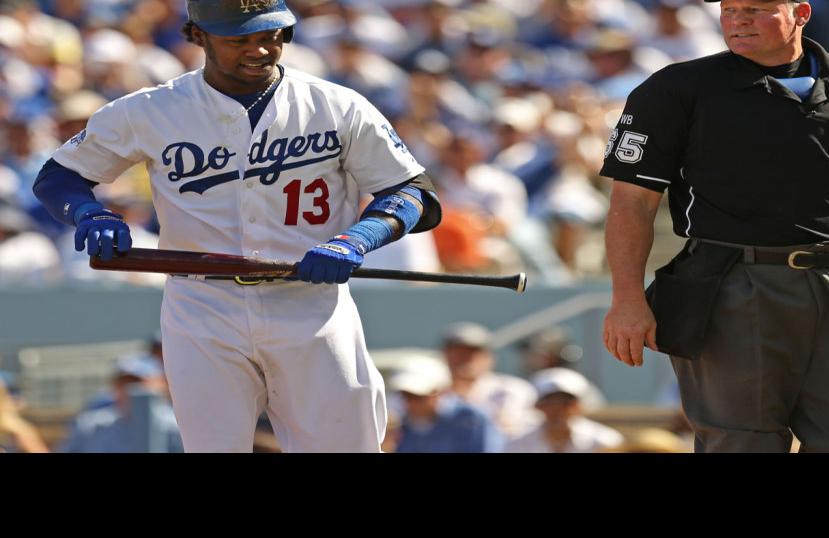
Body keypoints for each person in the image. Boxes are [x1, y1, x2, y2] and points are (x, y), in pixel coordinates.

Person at [32, 0, 442, 452]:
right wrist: (89, 213)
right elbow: (60, 177)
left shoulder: (336, 104)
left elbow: (412, 192)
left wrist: (358, 239)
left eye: (270, 36)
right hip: (203, 304)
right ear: (198, 35)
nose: (260, 50)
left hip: (310, 301)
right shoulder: (150, 109)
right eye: (239, 38)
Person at [599, 0, 829, 453]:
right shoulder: (676, 88)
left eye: (756, 9)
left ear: (801, 12)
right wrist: (626, 298)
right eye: (730, 9)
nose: (738, 20)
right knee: (742, 445)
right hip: (732, 283)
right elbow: (632, 202)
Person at [504, 367, 622, 453]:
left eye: (566, 402)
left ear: (579, 406)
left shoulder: (606, 441)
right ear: (538, 407)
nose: (557, 409)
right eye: (549, 402)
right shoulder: (517, 444)